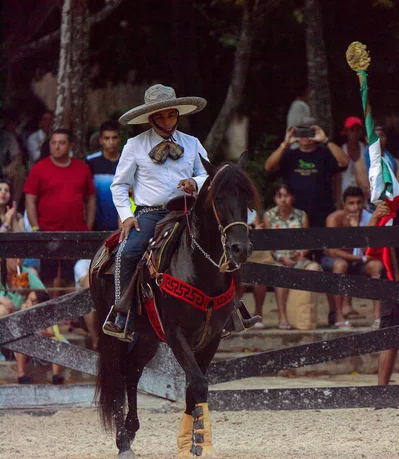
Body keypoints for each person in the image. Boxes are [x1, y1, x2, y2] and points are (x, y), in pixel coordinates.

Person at [103, 83, 260, 340]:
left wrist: (195, 183)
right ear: (151, 118)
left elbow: (207, 174)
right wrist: (127, 215)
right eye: (161, 116)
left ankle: (232, 309)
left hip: (189, 211)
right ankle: (122, 313)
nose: (167, 121)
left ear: (178, 114)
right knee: (127, 251)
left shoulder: (192, 142)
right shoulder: (134, 145)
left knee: (223, 247)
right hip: (151, 213)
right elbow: (119, 185)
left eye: (172, 114)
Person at [23, 129, 96, 293]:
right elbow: (30, 199)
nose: (57, 146)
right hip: (48, 232)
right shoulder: (39, 169)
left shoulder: (82, 168)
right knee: (49, 276)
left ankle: (71, 317)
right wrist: (35, 228)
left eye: (62, 143)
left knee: (71, 275)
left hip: (76, 232)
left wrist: (88, 227)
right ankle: (51, 316)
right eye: (53, 142)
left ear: (70, 145)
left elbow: (91, 198)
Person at [320, 186, 383, 328]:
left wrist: (357, 231)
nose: (356, 207)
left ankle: (378, 317)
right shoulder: (334, 219)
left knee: (377, 267)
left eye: (359, 202)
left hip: (360, 260)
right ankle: (339, 317)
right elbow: (333, 251)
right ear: (344, 204)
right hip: (337, 261)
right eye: (351, 203)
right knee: (340, 265)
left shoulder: (369, 218)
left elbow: (371, 250)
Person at [265, 123, 348, 227]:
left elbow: (344, 162)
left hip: (322, 210)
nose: (305, 136)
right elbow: (269, 167)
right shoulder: (289, 154)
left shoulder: (326, 154)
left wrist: (326, 140)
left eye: (309, 132)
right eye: (302, 132)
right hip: (295, 213)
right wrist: (285, 144)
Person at [263, 183, 321, 329]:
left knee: (314, 268)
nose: (283, 200)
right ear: (275, 198)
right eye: (279, 196)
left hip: (298, 258)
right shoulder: (269, 216)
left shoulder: (301, 215)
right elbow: (268, 246)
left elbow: (307, 241)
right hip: (279, 259)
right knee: (280, 272)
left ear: (292, 197)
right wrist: (282, 258)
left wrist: (302, 253)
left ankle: (305, 316)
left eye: (286, 196)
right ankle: (283, 317)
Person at [368, 201, 399, 385]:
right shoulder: (392, 206)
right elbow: (369, 246)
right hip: (392, 277)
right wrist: (376, 216)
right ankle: (381, 394)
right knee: (389, 338)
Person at [86, 120, 121, 231]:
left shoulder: (128, 161)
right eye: (107, 138)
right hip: (97, 224)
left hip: (123, 223)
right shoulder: (91, 162)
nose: (111, 142)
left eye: (114, 138)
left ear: (119, 139)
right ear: (100, 140)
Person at [355, 124, 399, 204]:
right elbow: (366, 190)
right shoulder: (360, 164)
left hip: (393, 206)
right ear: (367, 139)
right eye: (375, 135)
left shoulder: (396, 163)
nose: (378, 138)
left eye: (382, 135)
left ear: (386, 139)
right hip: (371, 207)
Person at [337, 116, 366, 203]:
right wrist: (338, 199)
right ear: (346, 132)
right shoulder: (340, 151)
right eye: (351, 130)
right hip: (345, 193)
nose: (355, 133)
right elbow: (337, 178)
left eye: (358, 130)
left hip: (363, 193)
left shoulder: (366, 149)